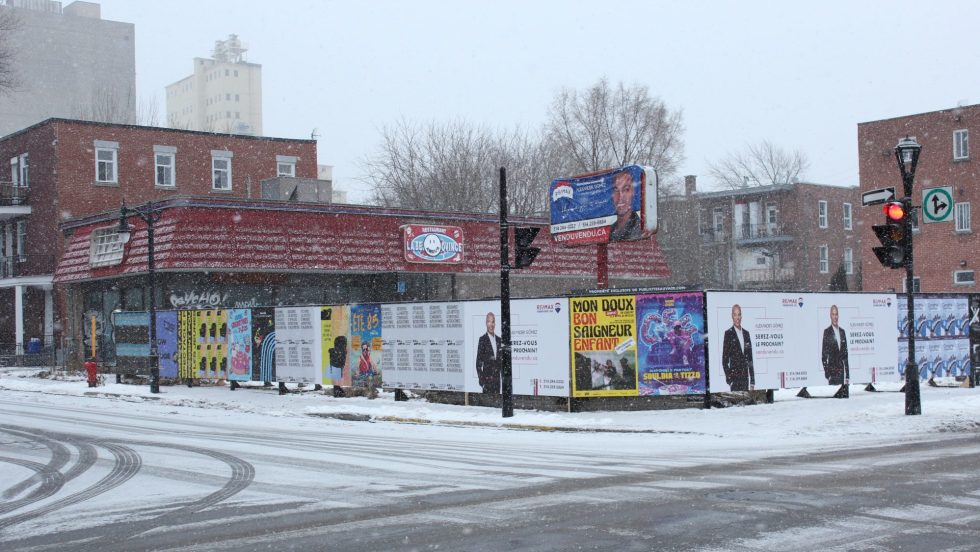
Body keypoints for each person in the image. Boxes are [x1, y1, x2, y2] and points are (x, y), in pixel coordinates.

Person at [721, 304, 754, 391]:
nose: (737, 317)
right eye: (735, 315)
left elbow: (750, 359)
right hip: (734, 380)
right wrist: (729, 379)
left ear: (741, 316)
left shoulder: (746, 334)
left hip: (745, 379)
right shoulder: (728, 334)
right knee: (735, 404)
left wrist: (752, 380)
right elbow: (724, 360)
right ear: (732, 316)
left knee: (747, 404)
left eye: (739, 314)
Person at [609, 171, 642, 241]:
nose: (620, 197)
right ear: (611, 195)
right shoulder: (609, 231)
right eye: (616, 190)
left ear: (633, 192)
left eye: (626, 189)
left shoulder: (641, 229)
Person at [821, 304, 849, 385]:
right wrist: (827, 374)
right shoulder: (827, 332)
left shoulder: (842, 332)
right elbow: (823, 356)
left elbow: (845, 355)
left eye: (836, 314)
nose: (835, 317)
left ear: (838, 315)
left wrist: (847, 375)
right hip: (832, 374)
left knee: (843, 396)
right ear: (830, 316)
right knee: (833, 397)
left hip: (841, 373)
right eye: (833, 314)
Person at [475, 312, 502, 394]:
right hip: (487, 382)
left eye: (493, 321)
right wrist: (482, 380)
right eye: (489, 321)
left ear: (495, 323)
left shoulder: (499, 340)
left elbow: (501, 361)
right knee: (487, 405)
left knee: (497, 406)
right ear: (486, 323)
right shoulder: (482, 340)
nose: (491, 324)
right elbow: (478, 363)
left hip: (497, 382)